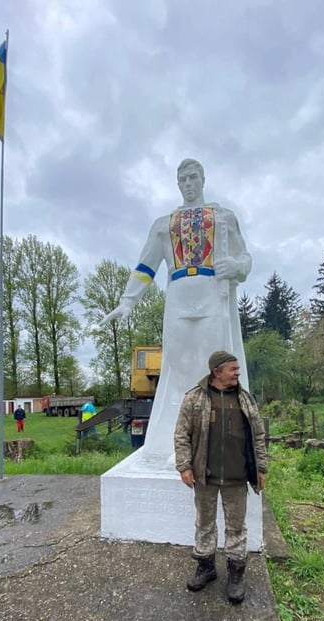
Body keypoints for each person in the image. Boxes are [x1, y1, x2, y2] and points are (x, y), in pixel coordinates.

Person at [102, 159, 252, 460]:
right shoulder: (164, 223)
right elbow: (146, 265)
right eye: (182, 178)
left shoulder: (223, 217)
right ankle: (185, 442)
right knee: (180, 367)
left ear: (203, 179)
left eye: (193, 177)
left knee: (212, 368)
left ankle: (211, 443)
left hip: (212, 294)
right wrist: (128, 300)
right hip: (179, 295)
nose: (187, 183)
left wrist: (235, 266)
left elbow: (245, 259)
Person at [174, 350, 267, 604]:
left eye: (237, 369)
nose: (237, 373)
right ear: (217, 372)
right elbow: (182, 435)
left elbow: (259, 435)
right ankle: (206, 567)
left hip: (238, 477)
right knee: (204, 523)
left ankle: (236, 575)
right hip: (205, 476)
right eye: (232, 369)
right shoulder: (194, 399)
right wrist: (184, 466)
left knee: (236, 527)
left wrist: (261, 468)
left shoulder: (245, 399)